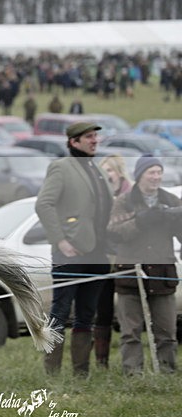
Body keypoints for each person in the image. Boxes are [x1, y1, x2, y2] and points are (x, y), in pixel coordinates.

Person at [35, 121, 112, 376]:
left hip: (97, 254)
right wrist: (61, 241)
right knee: (59, 313)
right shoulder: (61, 167)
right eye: (88, 137)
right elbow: (44, 205)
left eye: (95, 136)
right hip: (70, 254)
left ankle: (81, 373)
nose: (94, 141)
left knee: (86, 315)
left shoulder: (96, 169)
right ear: (74, 142)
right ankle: (52, 374)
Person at [107, 155, 180, 375]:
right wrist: (140, 221)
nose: (156, 177)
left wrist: (174, 219)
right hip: (130, 272)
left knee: (167, 330)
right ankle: (133, 374)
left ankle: (167, 372)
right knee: (131, 331)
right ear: (140, 176)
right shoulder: (124, 201)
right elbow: (114, 232)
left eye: (159, 172)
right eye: (151, 172)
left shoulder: (171, 200)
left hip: (162, 272)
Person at [94, 154, 133, 367]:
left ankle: (134, 362)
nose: (107, 175)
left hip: (128, 259)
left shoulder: (132, 195)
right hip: (105, 259)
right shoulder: (99, 197)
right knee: (103, 310)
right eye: (103, 171)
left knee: (131, 312)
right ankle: (102, 361)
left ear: (118, 172)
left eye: (109, 170)